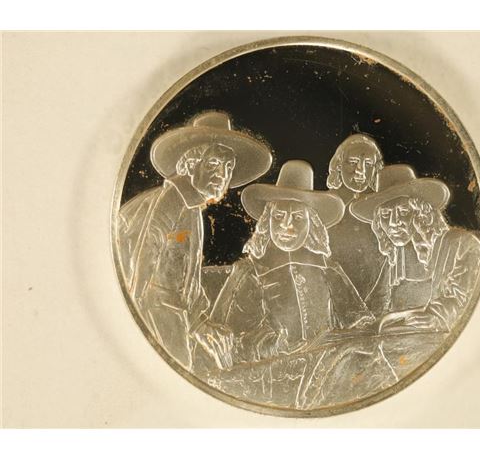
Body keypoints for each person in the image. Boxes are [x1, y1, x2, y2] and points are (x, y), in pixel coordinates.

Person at [117, 110, 272, 368]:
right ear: (190, 164)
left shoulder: (191, 208)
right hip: (157, 321)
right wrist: (133, 325)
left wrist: (200, 322)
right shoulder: (171, 200)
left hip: (171, 320)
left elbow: (184, 278)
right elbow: (143, 266)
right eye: (212, 164)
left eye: (228, 167)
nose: (222, 174)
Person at [199, 160, 374, 367]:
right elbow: (227, 341)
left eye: (297, 217)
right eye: (279, 216)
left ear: (312, 224)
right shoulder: (250, 271)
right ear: (267, 221)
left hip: (325, 369)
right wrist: (271, 346)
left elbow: (358, 320)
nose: (287, 226)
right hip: (271, 374)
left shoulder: (328, 269)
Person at [350, 165, 480, 333]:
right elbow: (377, 304)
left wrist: (438, 317)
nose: (393, 222)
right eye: (385, 215)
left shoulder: (463, 245)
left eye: (403, 211)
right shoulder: (396, 258)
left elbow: (469, 299)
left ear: (421, 213)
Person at [326, 133, 384, 297]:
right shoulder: (323, 206)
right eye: (352, 162)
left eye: (368, 164)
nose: (360, 171)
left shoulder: (385, 210)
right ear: (338, 165)